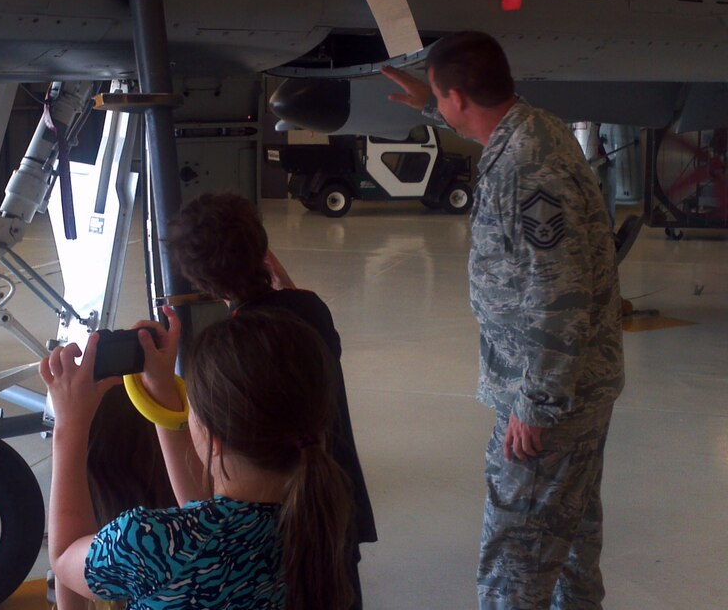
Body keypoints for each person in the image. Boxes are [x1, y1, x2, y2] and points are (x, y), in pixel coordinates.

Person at [381, 31, 624, 609]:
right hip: (579, 388)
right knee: (569, 549)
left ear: (460, 98)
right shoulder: (536, 129)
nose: (441, 108)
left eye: (442, 99)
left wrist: (535, 405)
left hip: (550, 400)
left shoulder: (527, 168)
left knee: (515, 563)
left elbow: (557, 293)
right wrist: (426, 99)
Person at [42, 307, 354, 610]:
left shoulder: (147, 542)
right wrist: (161, 388)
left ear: (213, 440)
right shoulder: (315, 516)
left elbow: (66, 554)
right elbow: (201, 509)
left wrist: (69, 424)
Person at [165, 192, 377, 609]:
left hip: (279, 517)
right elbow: (294, 307)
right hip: (334, 500)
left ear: (202, 284)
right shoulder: (310, 310)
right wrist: (266, 267)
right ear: (262, 249)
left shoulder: (236, 351)